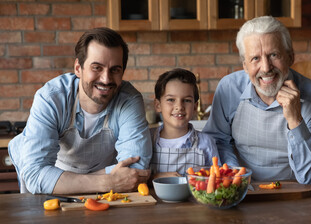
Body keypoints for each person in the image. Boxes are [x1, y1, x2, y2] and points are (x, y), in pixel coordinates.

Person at [8, 27, 152, 194]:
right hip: (49, 185)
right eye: (97, 67)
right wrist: (107, 182)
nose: (106, 79)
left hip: (71, 183)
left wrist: (73, 181)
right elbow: (36, 175)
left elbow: (134, 173)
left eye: (115, 70)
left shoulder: (129, 100)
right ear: (78, 68)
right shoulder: (51, 98)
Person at [203, 16, 311, 184]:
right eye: (255, 58)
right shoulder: (229, 88)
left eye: (274, 55)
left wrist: (295, 120)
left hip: (293, 190)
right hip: (241, 188)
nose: (266, 68)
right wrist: (236, 176)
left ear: (290, 57)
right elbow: (217, 142)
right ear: (245, 66)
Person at [150, 68, 220, 178]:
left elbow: (217, 179)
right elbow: (135, 179)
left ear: (195, 106)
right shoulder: (147, 140)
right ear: (158, 105)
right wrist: (154, 177)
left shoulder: (206, 143)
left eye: (187, 100)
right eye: (171, 100)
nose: (179, 107)